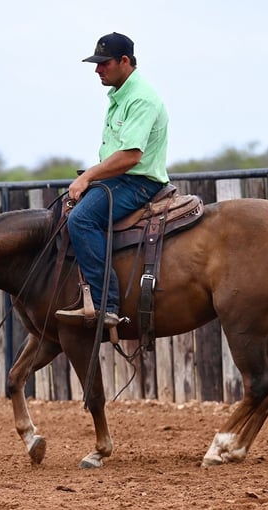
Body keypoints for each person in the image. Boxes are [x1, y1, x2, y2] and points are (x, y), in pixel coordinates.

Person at [56, 32, 170, 327]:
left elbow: (131, 156)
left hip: (138, 182)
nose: (97, 70)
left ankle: (106, 304)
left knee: (80, 220)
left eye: (103, 64)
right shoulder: (121, 94)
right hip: (122, 179)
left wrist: (89, 177)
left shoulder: (141, 97)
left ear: (124, 61)